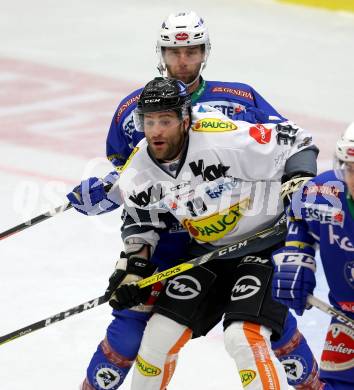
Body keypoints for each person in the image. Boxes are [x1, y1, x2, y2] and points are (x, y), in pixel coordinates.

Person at [67, 11, 322, 390]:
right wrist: (131, 257)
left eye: (191, 51)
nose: (182, 61)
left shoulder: (229, 116)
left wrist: (295, 184)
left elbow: (290, 144)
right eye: (174, 51)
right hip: (179, 241)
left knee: (256, 330)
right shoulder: (133, 115)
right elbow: (135, 191)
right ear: (161, 53)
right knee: (137, 331)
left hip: (252, 235)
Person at [105, 76, 320, 389]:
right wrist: (133, 273)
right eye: (148, 121)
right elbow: (141, 218)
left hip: (267, 244)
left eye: (165, 120)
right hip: (207, 253)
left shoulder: (224, 137)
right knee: (156, 338)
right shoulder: (139, 166)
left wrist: (297, 183)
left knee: (242, 338)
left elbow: (297, 141)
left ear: (185, 119)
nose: (156, 131)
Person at [271, 122, 354, 390]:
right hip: (346, 318)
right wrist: (296, 255)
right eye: (350, 168)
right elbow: (299, 216)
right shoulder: (324, 192)